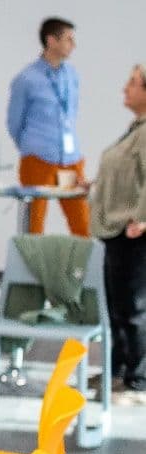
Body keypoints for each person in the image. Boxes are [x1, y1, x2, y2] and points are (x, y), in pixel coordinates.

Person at [89, 64, 146, 404]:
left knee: (135, 308)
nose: (125, 88)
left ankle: (138, 378)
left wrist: (142, 220)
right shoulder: (135, 129)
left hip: (134, 233)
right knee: (118, 308)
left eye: (132, 83)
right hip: (118, 231)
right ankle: (119, 371)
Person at [9, 17, 89, 235]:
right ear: (51, 41)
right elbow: (14, 122)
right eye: (68, 39)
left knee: (82, 222)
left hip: (70, 161)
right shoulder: (27, 79)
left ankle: (84, 269)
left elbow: (71, 114)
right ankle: (31, 269)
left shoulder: (71, 76)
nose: (73, 44)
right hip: (38, 159)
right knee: (33, 225)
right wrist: (32, 146)